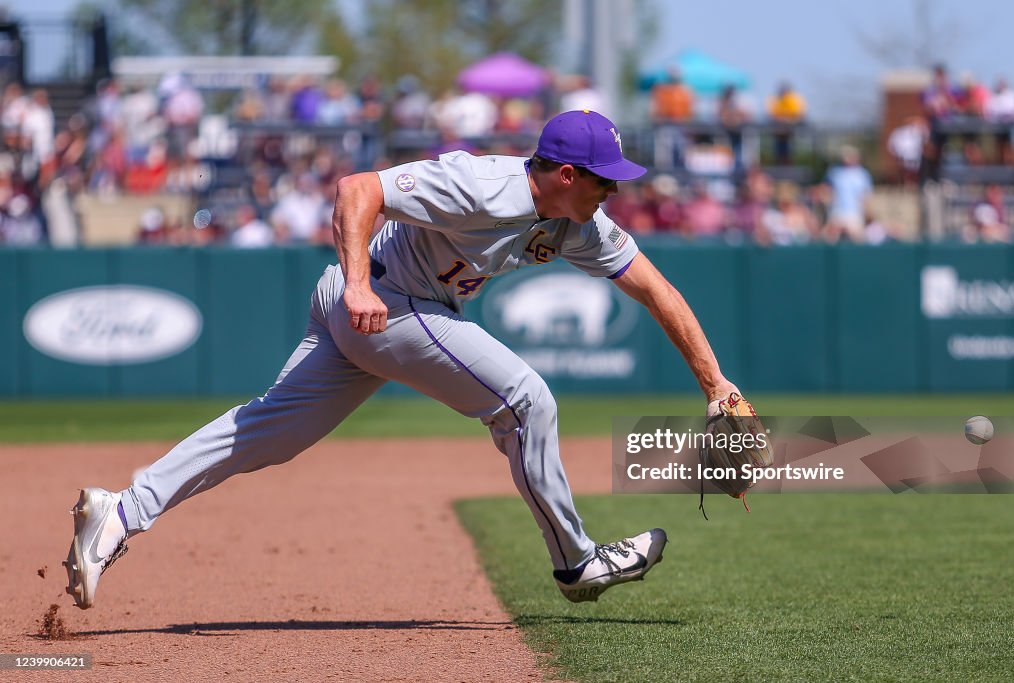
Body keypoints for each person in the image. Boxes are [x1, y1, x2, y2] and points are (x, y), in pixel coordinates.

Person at [63, 110, 743, 609]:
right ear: (566, 175)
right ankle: (577, 564)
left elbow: (655, 289)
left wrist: (716, 386)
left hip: (383, 308)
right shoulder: (480, 185)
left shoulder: (577, 222)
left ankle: (119, 511)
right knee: (528, 399)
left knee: (266, 433)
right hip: (382, 300)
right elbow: (357, 190)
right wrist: (358, 283)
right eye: (604, 180)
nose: (613, 192)